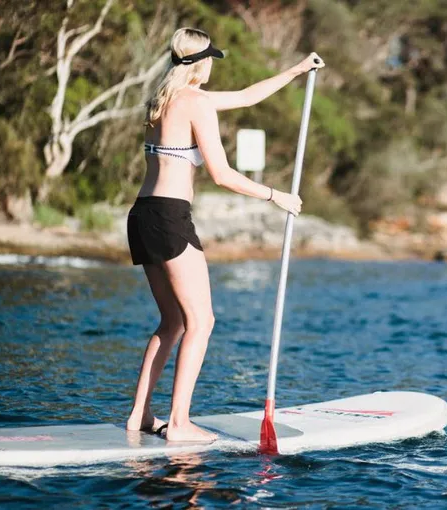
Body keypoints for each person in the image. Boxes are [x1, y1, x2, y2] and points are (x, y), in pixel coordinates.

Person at [125, 27, 324, 442]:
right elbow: (221, 174)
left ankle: (140, 417)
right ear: (200, 61)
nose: (214, 64)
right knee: (202, 320)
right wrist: (277, 196)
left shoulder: (164, 99)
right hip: (170, 216)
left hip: (143, 215)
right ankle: (179, 424)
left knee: (173, 322)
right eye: (211, 57)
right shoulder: (195, 102)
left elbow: (249, 95)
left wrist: (298, 69)